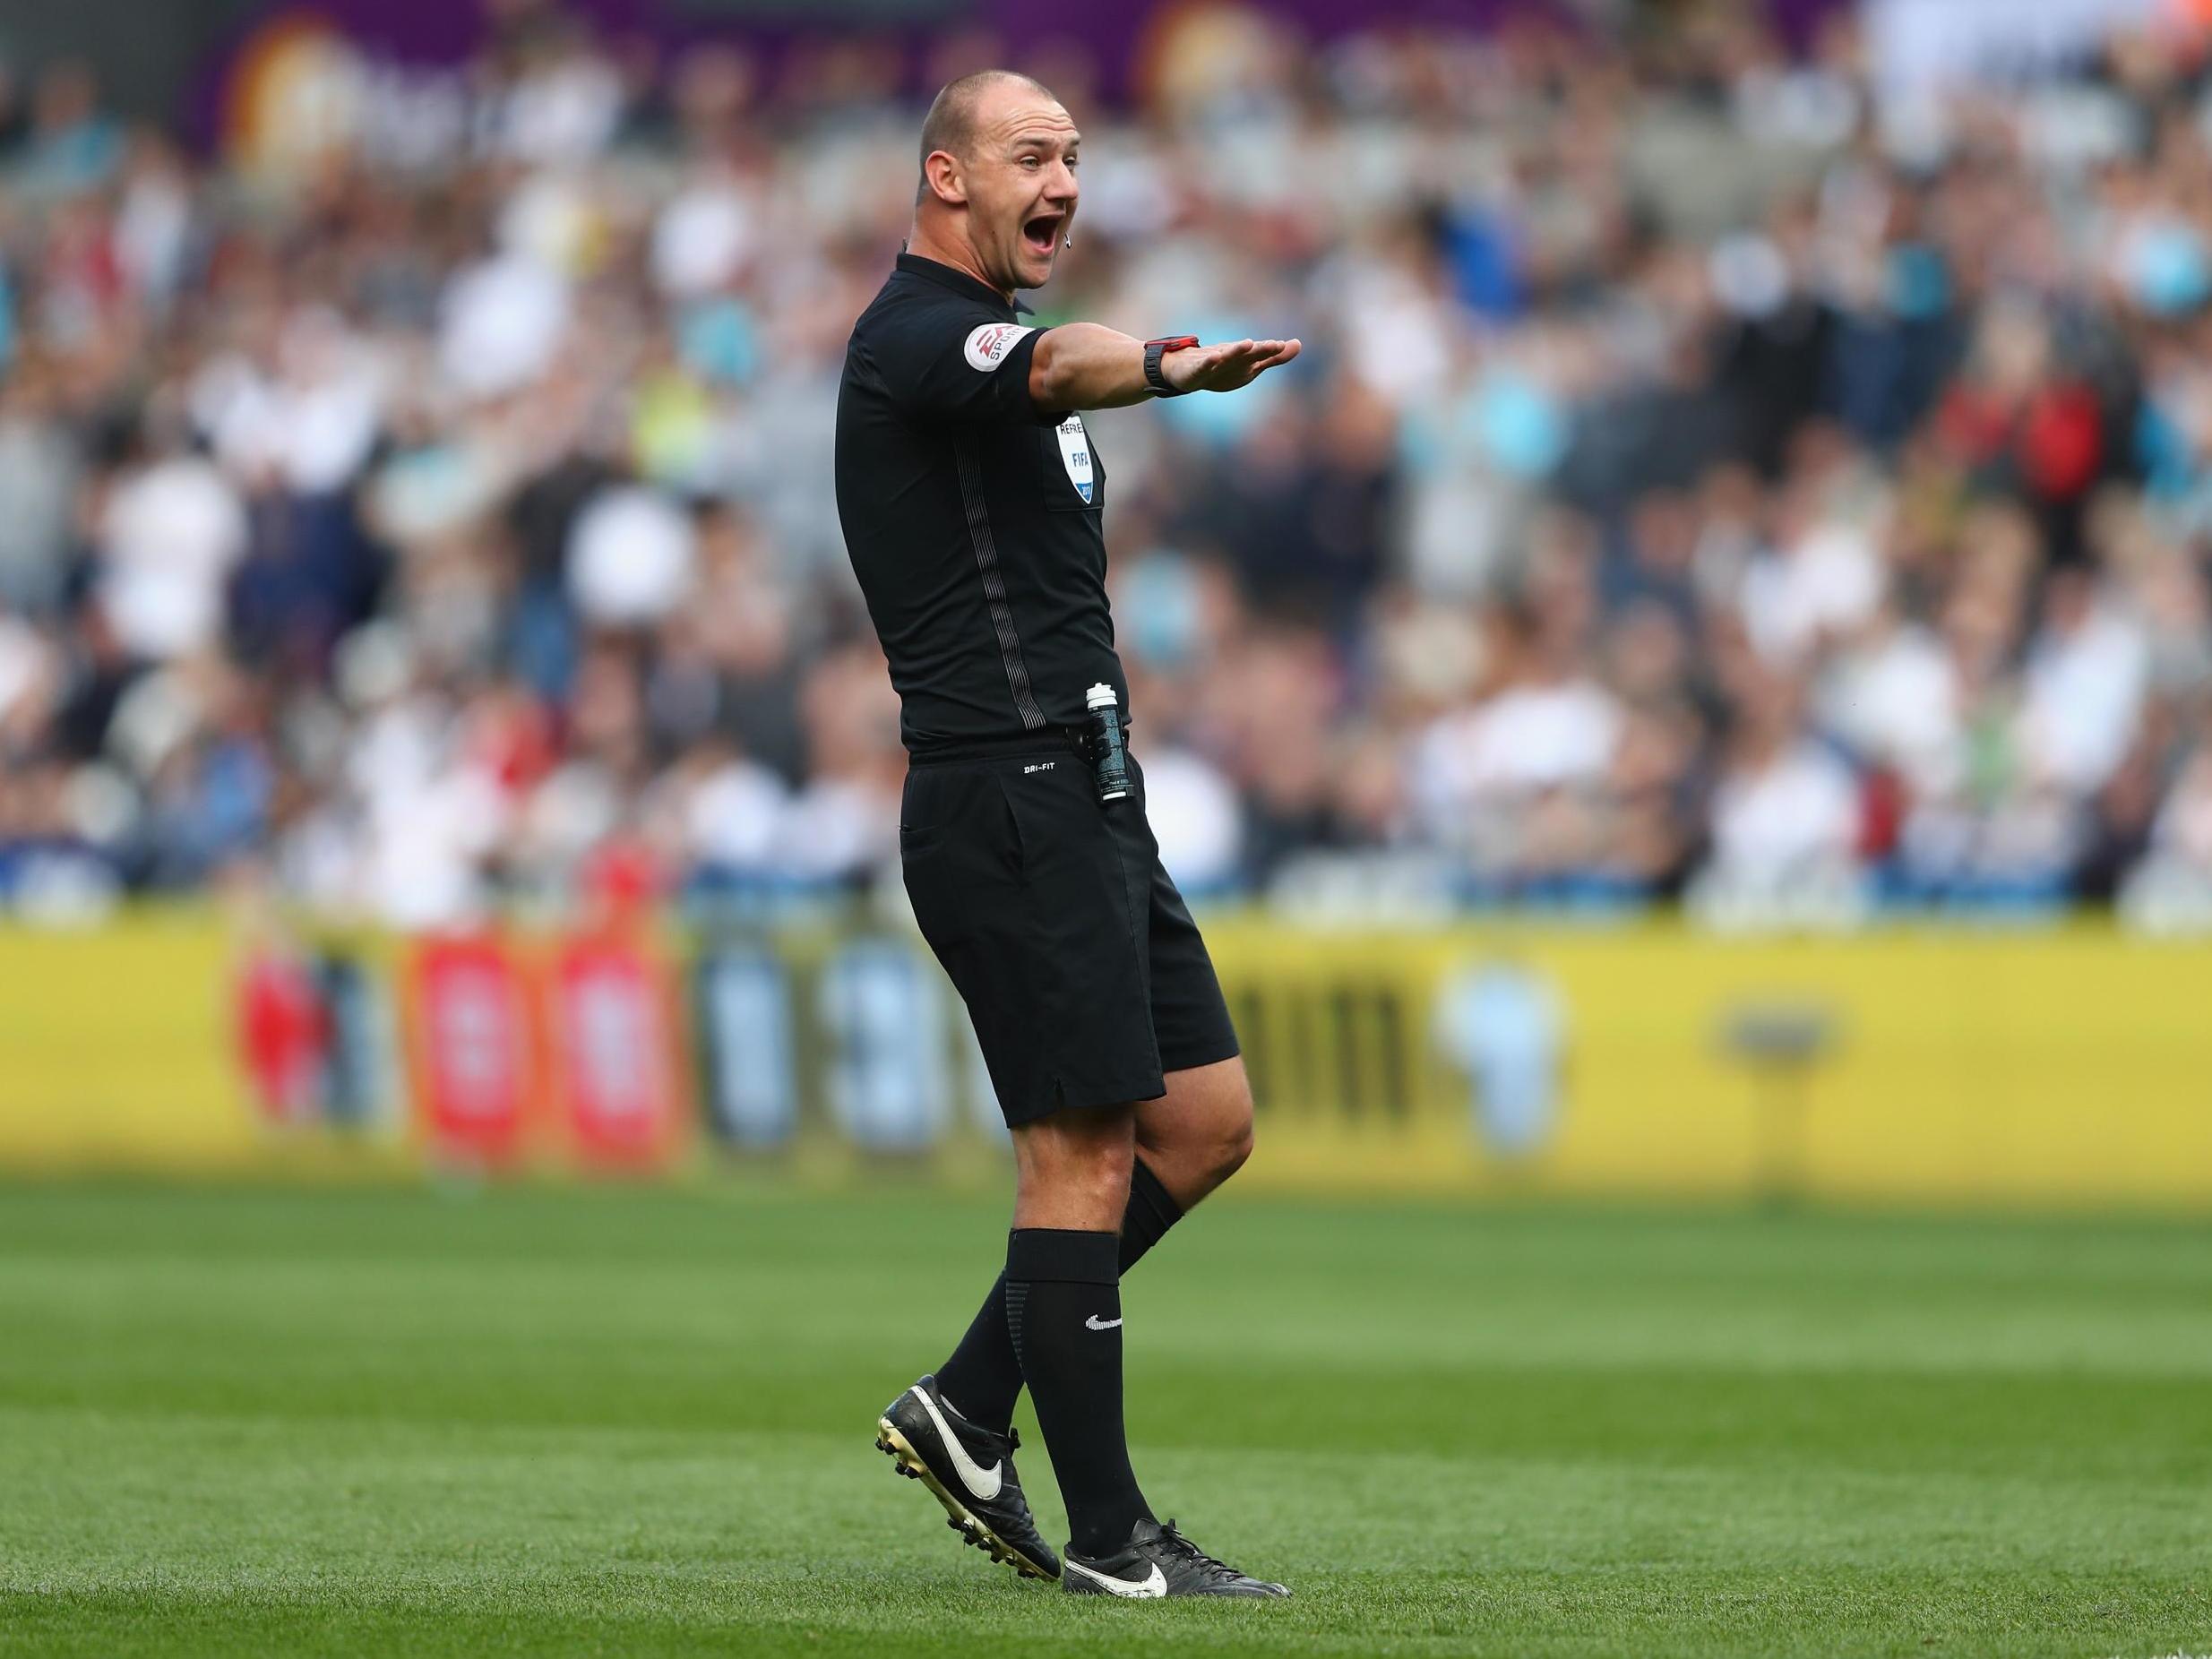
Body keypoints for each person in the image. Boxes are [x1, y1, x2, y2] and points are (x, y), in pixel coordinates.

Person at [834, 70, 1299, 1599]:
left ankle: (971, 1402)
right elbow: (1053, 373)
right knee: (1081, 1149)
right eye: (1033, 155)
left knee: (1204, 1121)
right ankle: (1112, 1540)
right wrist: (1168, 361)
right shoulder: (920, 340)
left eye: (1076, 157)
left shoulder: (996, 353)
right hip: (1006, 790)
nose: (1065, 182)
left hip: (1086, 786)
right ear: (944, 177)